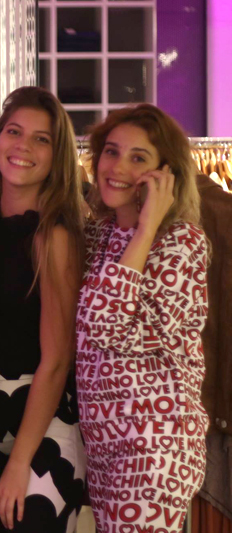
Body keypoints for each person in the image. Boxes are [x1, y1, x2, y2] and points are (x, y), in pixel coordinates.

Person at [75, 104, 209, 533]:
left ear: (165, 174)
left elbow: (105, 325)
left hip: (154, 447)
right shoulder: (99, 232)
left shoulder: (181, 242)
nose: (117, 167)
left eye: (138, 158)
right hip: (105, 447)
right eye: (111, 151)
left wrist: (147, 226)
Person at [0, 86, 87, 532]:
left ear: (57, 155)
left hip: (40, 417)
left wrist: (19, 462)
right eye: (14, 132)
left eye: (41, 139)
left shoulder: (55, 232)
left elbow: (57, 360)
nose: (23, 146)